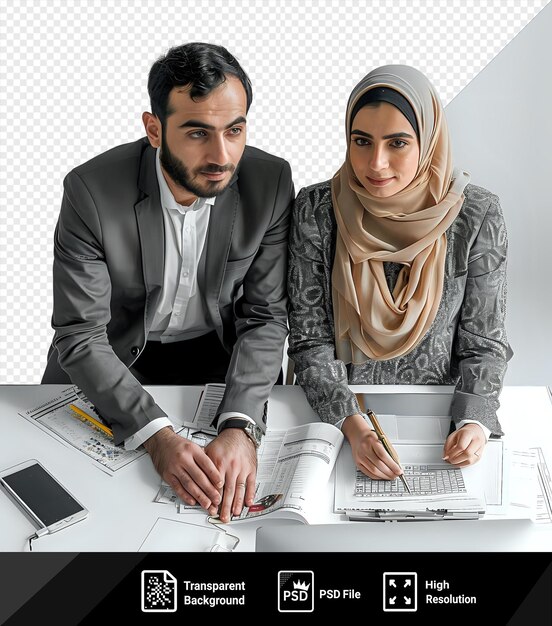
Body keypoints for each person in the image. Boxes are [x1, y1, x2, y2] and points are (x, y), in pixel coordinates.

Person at [42, 43, 294, 522]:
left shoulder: (271, 182)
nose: (222, 155)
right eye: (198, 132)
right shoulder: (90, 191)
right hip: (115, 355)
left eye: (234, 130)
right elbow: (79, 333)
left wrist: (240, 426)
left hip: (220, 355)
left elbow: (265, 317)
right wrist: (154, 434)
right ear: (154, 129)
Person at [288, 65, 511, 483]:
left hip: (435, 421)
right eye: (362, 141)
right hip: (336, 417)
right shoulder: (317, 210)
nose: (376, 163)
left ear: (428, 142)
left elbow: (484, 343)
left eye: (398, 143)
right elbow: (309, 340)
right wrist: (353, 426)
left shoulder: (476, 216)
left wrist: (474, 423)